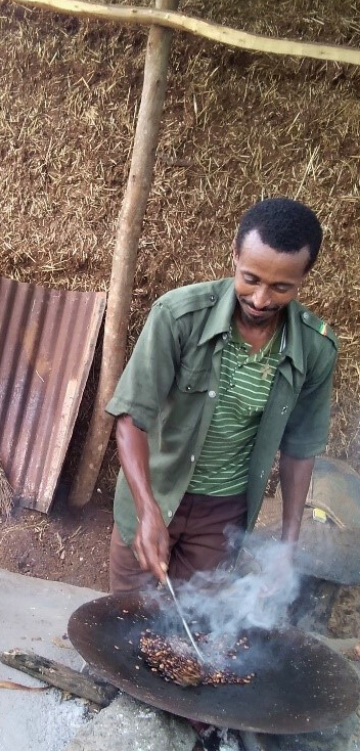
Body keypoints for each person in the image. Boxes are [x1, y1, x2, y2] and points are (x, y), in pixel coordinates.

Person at [106, 197, 338, 591]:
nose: (261, 299)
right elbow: (131, 419)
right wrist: (148, 511)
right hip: (155, 492)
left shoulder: (314, 349)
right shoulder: (178, 316)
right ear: (234, 256)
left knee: (192, 628)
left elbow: (300, 449)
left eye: (281, 287)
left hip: (222, 518)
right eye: (251, 278)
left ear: (305, 277)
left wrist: (288, 544)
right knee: (126, 623)